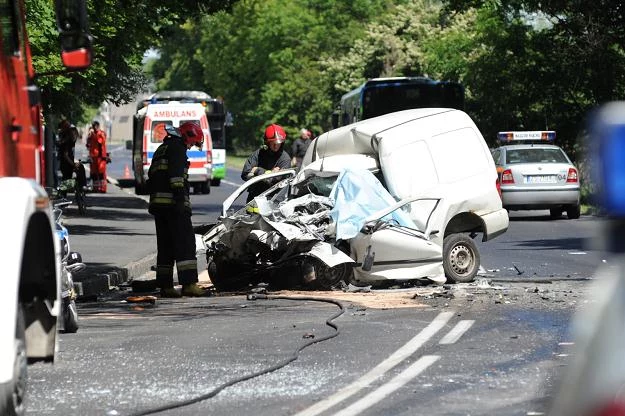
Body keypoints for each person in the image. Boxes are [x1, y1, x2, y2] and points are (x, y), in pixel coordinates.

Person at [147, 121, 206, 298]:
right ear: (187, 137)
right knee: (185, 244)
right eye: (192, 143)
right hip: (174, 206)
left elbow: (151, 177)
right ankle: (189, 284)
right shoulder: (177, 149)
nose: (190, 146)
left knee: (165, 246)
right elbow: (176, 179)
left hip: (159, 206)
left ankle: (165, 287)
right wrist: (181, 202)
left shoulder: (162, 149)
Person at [241, 124, 291, 202]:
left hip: (274, 199)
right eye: (273, 143)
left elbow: (275, 181)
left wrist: (257, 170)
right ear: (267, 142)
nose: (276, 146)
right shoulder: (258, 154)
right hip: (254, 197)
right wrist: (271, 174)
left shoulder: (285, 159)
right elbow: (245, 174)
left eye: (278, 143)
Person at [86, 121, 109, 193]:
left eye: (94, 126)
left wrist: (104, 156)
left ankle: (102, 188)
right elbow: (88, 145)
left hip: (100, 157)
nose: (93, 128)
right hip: (93, 156)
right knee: (93, 173)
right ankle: (96, 188)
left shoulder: (100, 134)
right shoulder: (92, 134)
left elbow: (101, 144)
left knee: (101, 173)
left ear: (97, 126)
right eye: (93, 126)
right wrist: (89, 136)